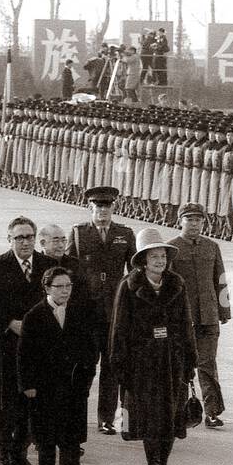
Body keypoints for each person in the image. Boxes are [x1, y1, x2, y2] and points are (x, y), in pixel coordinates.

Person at [109, 228, 198, 465]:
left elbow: (186, 325)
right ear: (143, 260)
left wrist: (190, 362)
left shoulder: (177, 284)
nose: (160, 260)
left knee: (171, 420)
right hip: (142, 365)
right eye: (154, 256)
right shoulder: (129, 286)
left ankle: (164, 464)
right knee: (151, 423)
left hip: (172, 362)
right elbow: (119, 328)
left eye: (163, 255)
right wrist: (120, 366)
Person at [0, 217, 56, 465]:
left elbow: (56, 300)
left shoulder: (48, 265)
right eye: (19, 238)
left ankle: (20, 452)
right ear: (9, 239)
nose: (25, 242)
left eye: (29, 237)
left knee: (31, 403)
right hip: (9, 345)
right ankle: (4, 453)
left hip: (38, 346)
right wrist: (10, 322)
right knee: (8, 404)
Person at [19, 266, 98, 465]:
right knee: (46, 438)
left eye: (68, 286)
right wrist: (28, 385)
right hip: (43, 389)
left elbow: (90, 349)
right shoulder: (34, 315)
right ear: (46, 288)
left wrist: (86, 379)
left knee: (70, 438)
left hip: (73, 387)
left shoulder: (80, 312)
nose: (65, 291)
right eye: (59, 287)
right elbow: (24, 355)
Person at [70, 186, 135, 434]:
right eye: (98, 207)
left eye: (107, 207)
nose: (103, 211)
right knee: (84, 367)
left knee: (111, 367)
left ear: (113, 208)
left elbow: (134, 270)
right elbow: (69, 269)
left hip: (115, 313)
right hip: (87, 313)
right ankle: (76, 417)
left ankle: (106, 419)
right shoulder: (79, 234)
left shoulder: (124, 234)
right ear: (90, 208)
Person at [169, 203, 231, 428]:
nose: (194, 224)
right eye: (189, 219)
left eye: (198, 220)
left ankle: (212, 411)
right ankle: (180, 411)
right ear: (180, 221)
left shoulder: (211, 247)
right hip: (183, 318)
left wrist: (224, 310)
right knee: (182, 366)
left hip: (208, 316)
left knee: (208, 365)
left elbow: (220, 280)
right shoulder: (171, 248)